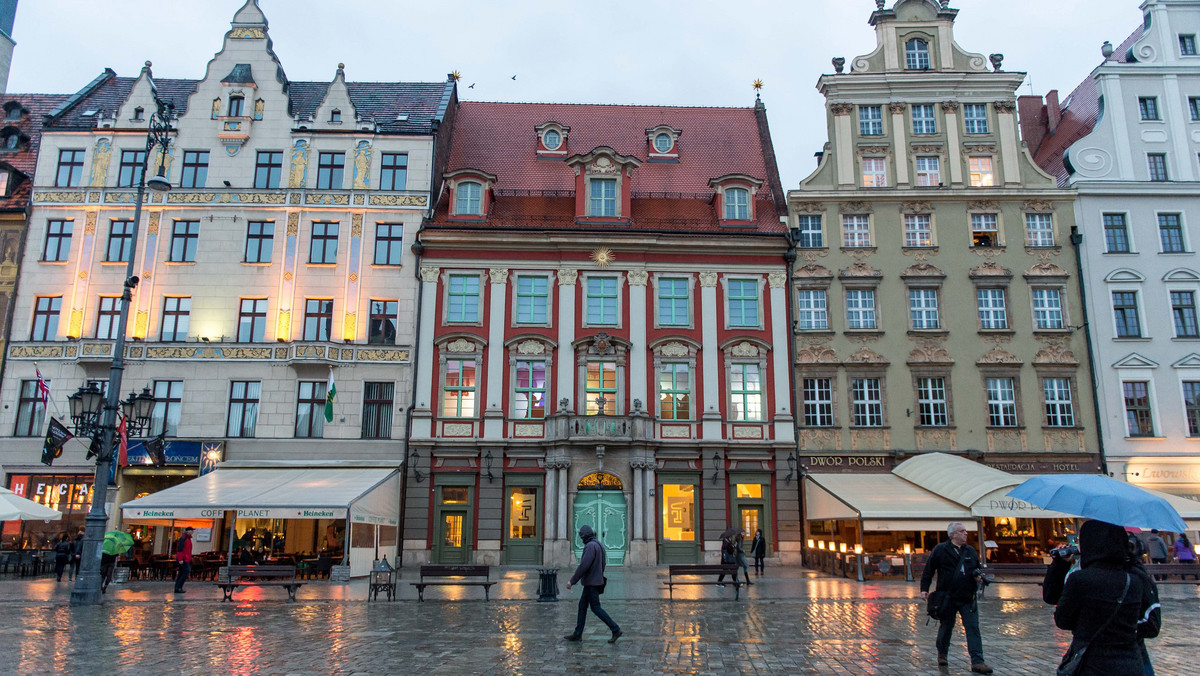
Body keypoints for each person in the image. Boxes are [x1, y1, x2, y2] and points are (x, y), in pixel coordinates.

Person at [1048, 520, 1161, 675]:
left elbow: (1062, 620)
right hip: (1130, 663)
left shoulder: (1080, 580)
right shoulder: (1134, 579)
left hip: (1092, 664)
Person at [920, 522, 992, 674]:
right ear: (952, 534)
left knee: (973, 627)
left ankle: (978, 661)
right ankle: (942, 654)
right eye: (962, 531)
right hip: (948, 597)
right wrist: (924, 589)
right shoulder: (941, 550)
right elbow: (929, 570)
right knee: (946, 627)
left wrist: (979, 578)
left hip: (967, 596)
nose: (966, 533)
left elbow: (975, 569)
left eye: (965, 531)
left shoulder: (970, 550)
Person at [563, 524, 621, 643]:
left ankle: (615, 629)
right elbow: (603, 563)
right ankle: (577, 633)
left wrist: (572, 581)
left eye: (581, 537)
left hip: (591, 583)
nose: (581, 539)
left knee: (596, 608)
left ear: (584, 537)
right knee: (582, 606)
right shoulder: (599, 544)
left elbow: (584, 566)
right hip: (594, 581)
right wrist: (599, 574)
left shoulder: (590, 546)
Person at [174, 527, 194, 594]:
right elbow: (180, 549)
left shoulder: (188, 539)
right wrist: (180, 559)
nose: (192, 532)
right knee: (186, 571)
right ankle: (179, 587)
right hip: (184, 559)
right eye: (191, 530)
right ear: (187, 531)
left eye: (192, 531)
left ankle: (177, 587)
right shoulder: (183, 538)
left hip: (186, 558)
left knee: (181, 573)